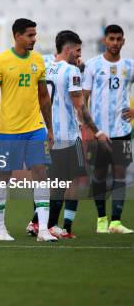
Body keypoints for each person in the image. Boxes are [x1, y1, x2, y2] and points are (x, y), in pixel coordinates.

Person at [0, 18, 57, 242]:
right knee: (3, 177)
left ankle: (43, 229)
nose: (34, 39)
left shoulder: (38, 61)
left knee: (40, 173)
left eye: (35, 35)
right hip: (9, 130)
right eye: (30, 35)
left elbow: (44, 97)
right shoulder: (1, 61)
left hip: (35, 128)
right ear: (17, 36)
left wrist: (50, 129)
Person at [41, 31, 110, 238]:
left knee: (55, 182)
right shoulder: (71, 71)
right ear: (68, 48)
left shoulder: (46, 65)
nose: (80, 55)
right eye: (78, 50)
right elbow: (81, 108)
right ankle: (61, 226)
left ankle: (46, 224)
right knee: (71, 182)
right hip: (69, 135)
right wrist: (97, 131)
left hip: (48, 132)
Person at [83, 24, 134, 234]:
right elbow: (83, 99)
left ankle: (116, 222)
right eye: (111, 39)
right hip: (99, 132)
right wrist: (88, 127)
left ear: (123, 41)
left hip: (122, 130)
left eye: (118, 39)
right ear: (105, 40)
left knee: (120, 173)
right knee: (99, 174)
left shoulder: (130, 66)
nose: (114, 43)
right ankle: (101, 219)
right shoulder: (93, 65)